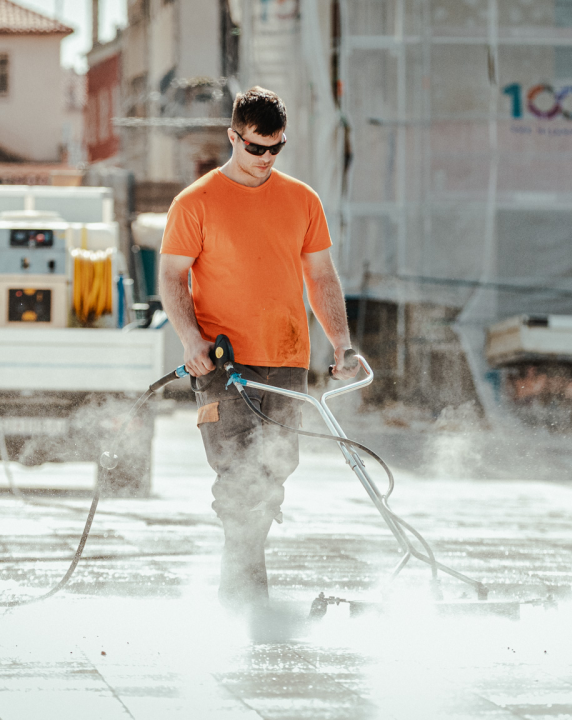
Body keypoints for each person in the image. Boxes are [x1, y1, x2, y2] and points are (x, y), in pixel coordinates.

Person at [159, 86, 358, 612]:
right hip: (224, 363)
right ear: (233, 137)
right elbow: (173, 279)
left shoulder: (302, 200)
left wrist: (342, 344)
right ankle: (245, 599)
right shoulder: (195, 202)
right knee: (239, 473)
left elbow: (321, 277)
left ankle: (243, 590)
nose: (266, 159)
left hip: (288, 359)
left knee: (272, 474)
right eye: (255, 148)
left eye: (276, 149)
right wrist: (190, 340)